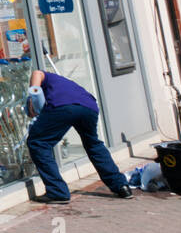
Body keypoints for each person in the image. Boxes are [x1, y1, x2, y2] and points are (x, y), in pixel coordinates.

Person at [25, 69, 132, 203]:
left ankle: (58, 192)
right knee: (93, 144)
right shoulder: (61, 82)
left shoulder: (44, 77)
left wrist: (31, 98)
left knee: (37, 142)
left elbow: (37, 73)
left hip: (64, 106)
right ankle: (121, 186)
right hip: (89, 107)